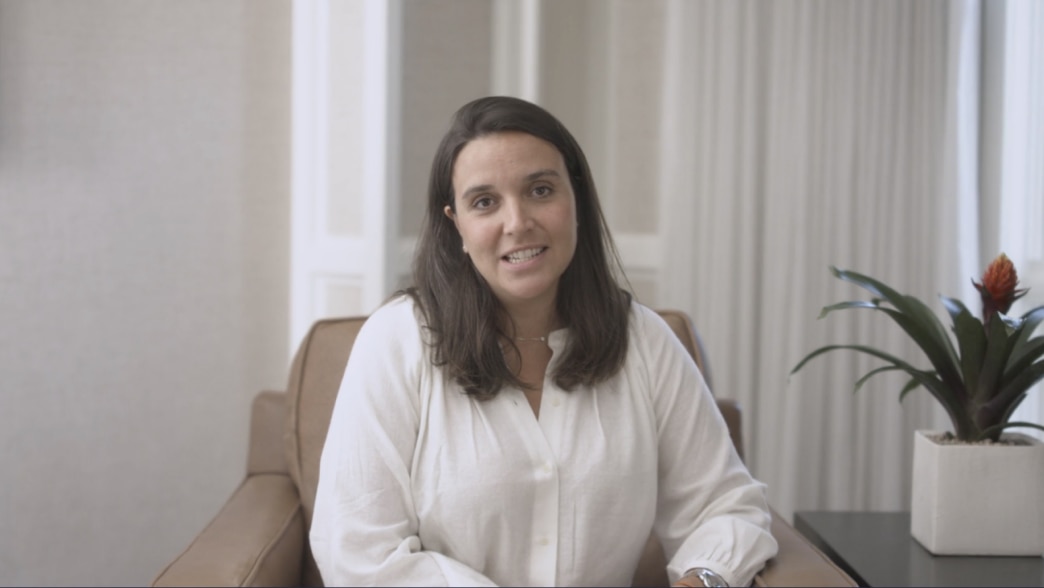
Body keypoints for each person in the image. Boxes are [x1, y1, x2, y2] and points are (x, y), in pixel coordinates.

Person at [310, 96, 778, 587]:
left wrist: (701, 580)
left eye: (539, 190)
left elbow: (729, 507)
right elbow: (357, 548)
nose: (517, 223)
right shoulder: (396, 340)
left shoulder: (644, 341)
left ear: (575, 200)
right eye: (485, 202)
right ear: (457, 227)